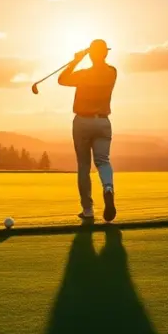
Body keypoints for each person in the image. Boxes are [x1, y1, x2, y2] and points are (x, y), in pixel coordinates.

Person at [58, 39, 117, 222]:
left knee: (84, 166)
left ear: (91, 54)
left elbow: (62, 80)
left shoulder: (83, 74)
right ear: (105, 54)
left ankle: (88, 211)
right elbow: (100, 63)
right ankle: (108, 188)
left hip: (83, 122)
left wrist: (76, 60)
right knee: (103, 161)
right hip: (103, 122)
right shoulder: (112, 72)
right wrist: (89, 55)